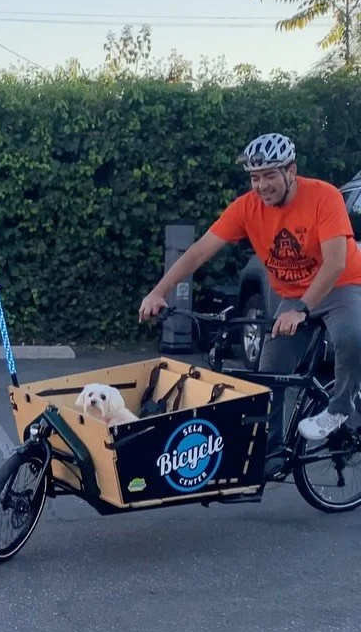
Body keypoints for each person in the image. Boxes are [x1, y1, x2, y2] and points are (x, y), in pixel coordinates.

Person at [139, 132, 361, 477]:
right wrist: (159, 292)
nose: (261, 186)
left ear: (291, 171)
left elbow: (334, 263)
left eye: (269, 175)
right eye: (255, 178)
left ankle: (341, 408)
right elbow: (199, 251)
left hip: (341, 284)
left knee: (351, 336)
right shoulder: (246, 207)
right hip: (293, 294)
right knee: (269, 374)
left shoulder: (324, 196)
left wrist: (301, 309)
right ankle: (271, 453)